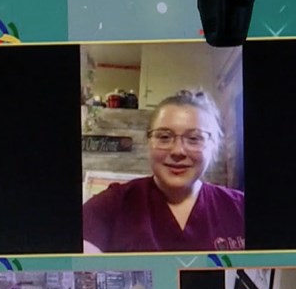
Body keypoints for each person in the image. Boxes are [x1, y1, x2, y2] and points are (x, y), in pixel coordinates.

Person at [82, 89, 245, 254]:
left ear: (213, 145)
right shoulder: (111, 206)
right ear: (148, 142)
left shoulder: (240, 208)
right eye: (164, 137)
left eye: (194, 138)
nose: (178, 151)